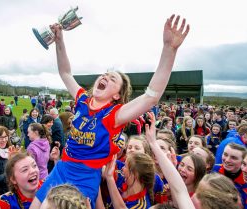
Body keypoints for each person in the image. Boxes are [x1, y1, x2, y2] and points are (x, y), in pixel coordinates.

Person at [30, 14, 189, 209]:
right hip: (62, 167)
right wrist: (59, 40)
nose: (105, 77)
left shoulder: (115, 115)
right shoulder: (82, 99)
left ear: (116, 95)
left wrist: (169, 49)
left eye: (112, 79)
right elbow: (65, 73)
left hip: (86, 176)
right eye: (105, 75)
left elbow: (151, 96)